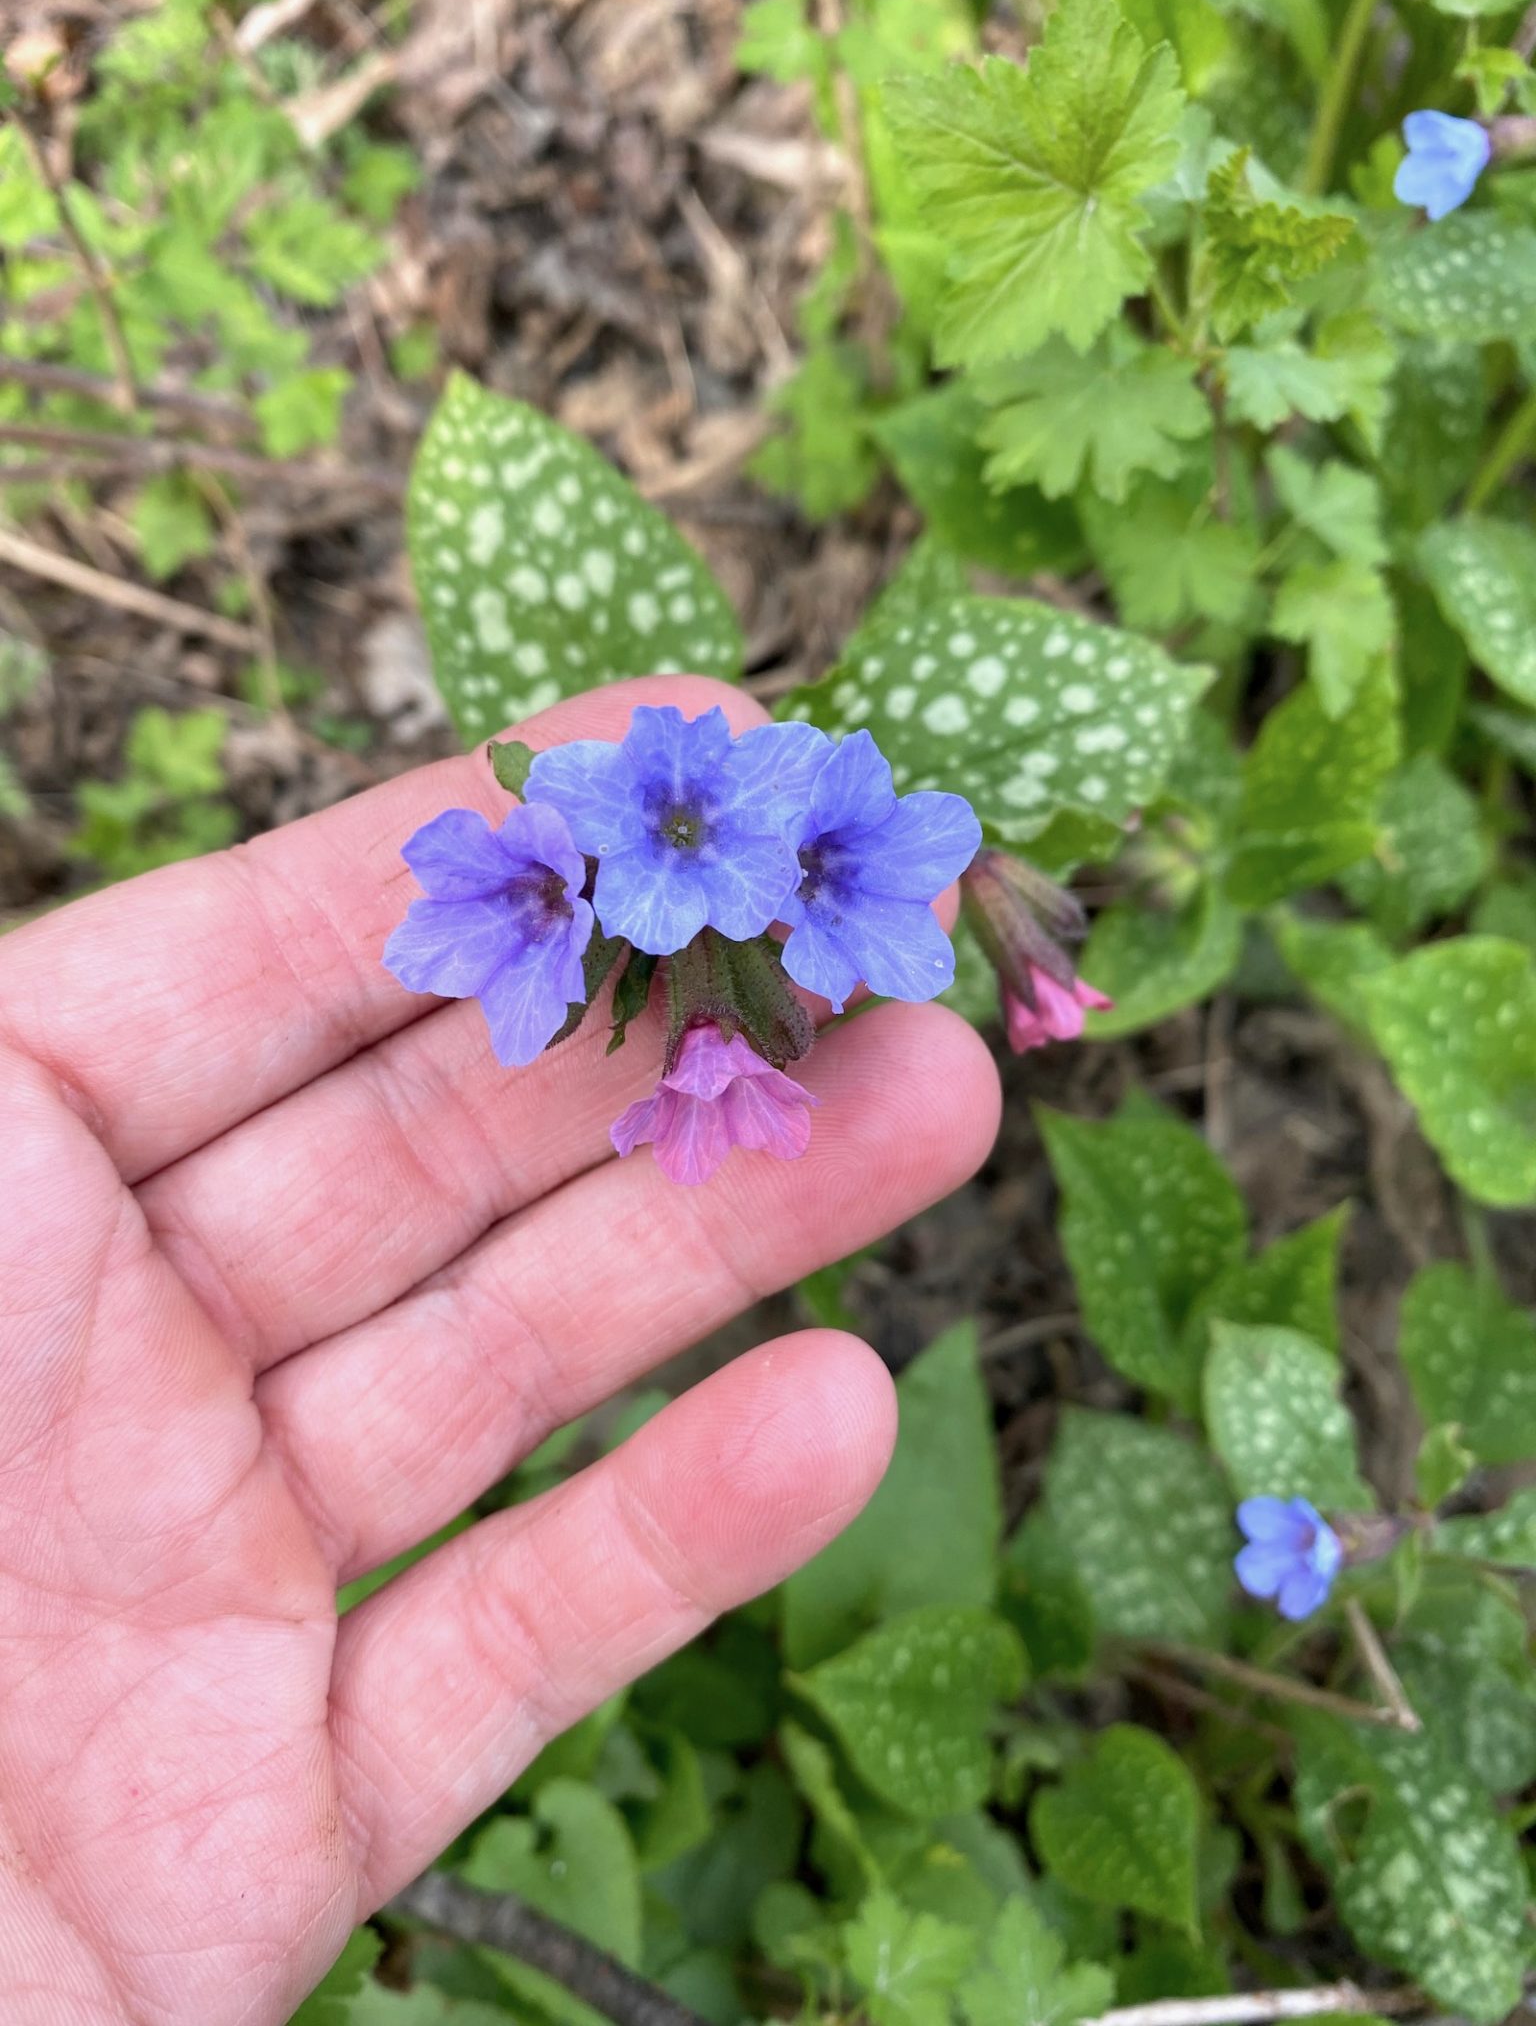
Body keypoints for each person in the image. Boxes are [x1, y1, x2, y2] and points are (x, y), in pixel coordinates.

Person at [0, 675, 999, 2025]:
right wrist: (612, 929)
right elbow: (588, 895)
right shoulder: (601, 855)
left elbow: (793, 869)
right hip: (626, 897)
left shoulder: (739, 856)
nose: (702, 838)